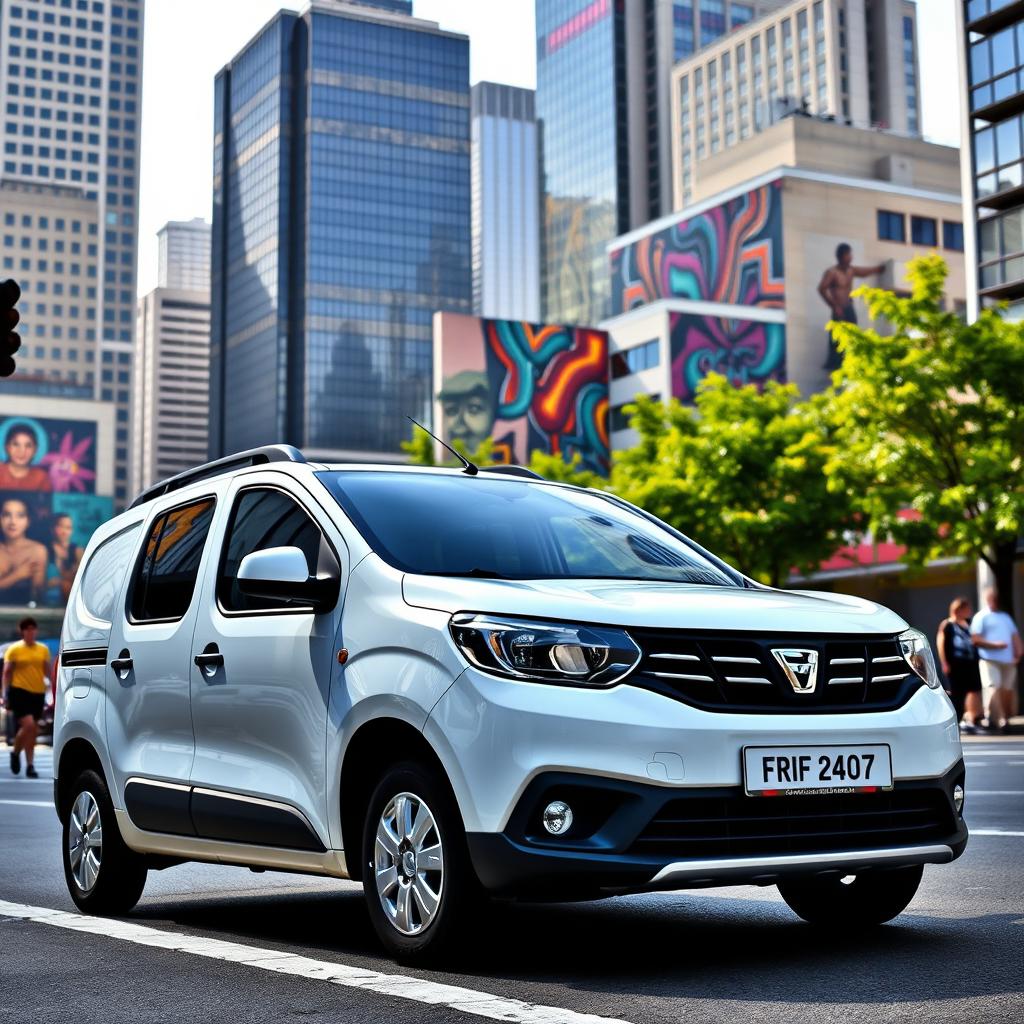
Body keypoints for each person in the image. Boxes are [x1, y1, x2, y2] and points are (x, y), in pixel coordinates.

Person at [817, 243, 885, 370]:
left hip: (849, 308)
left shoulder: (851, 270)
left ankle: (851, 359)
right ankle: (834, 364)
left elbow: (864, 272)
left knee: (853, 335)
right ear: (841, 256)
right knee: (836, 338)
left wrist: (877, 269)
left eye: (850, 254)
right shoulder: (832, 272)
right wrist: (834, 306)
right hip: (838, 309)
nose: (850, 257)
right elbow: (821, 289)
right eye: (848, 254)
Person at [2, 616, 51, 777]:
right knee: (28, 726)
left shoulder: (43, 649)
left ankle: (30, 765)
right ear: (22, 631)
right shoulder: (14, 649)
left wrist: (53, 689)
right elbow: (7, 673)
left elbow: (47, 671)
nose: (30, 632)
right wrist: (5, 693)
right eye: (27, 629)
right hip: (19, 692)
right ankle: (15, 753)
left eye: (33, 629)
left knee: (33, 730)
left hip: (37, 693)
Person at [971, 588, 1023, 732]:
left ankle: (1005, 717)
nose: (994, 601)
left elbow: (1014, 635)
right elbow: (975, 639)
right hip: (990, 659)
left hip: (1008, 661)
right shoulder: (981, 617)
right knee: (993, 687)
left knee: (1007, 690)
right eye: (992, 598)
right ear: (987, 599)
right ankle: (997, 719)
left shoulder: (1005, 617)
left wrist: (1019, 651)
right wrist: (995, 645)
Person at [937, 597, 984, 732]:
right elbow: (941, 643)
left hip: (970, 663)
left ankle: (973, 718)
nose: (969, 611)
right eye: (966, 609)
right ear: (958, 610)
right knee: (958, 693)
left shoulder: (969, 623)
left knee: (974, 690)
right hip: (956, 664)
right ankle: (957, 720)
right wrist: (944, 662)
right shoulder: (947, 624)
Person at [0, 496, 48, 604]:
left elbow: (37, 595)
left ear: (28, 521)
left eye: (20, 515)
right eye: (7, 515)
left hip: (27, 616)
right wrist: (18, 575)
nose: (13, 522)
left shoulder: (37, 551)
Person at [0, 423, 51, 491]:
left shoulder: (41, 478)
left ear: (35, 450)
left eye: (28, 446)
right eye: (16, 444)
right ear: (7, 447)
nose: (22, 451)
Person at [45, 512, 83, 605]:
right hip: (48, 601)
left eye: (68, 528)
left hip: (71, 601)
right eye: (60, 526)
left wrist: (59, 581)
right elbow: (40, 585)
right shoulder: (44, 551)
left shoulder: (78, 551)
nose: (64, 531)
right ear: (52, 528)